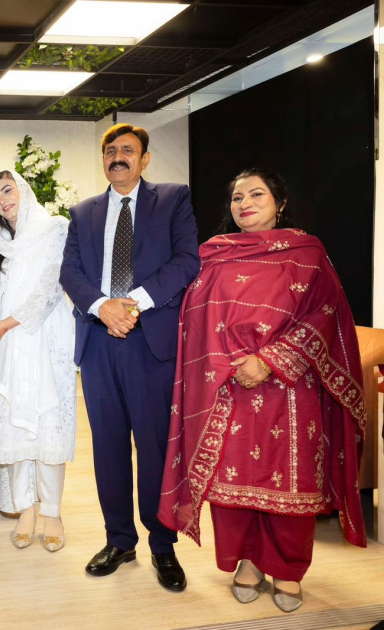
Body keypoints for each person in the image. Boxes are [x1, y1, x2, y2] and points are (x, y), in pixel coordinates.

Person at [158, 168, 366, 613]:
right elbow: (195, 319)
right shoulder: (214, 255)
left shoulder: (307, 253)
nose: (245, 203)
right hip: (226, 388)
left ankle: (288, 569)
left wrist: (269, 361)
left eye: (256, 194)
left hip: (289, 388)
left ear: (280, 203)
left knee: (290, 481)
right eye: (237, 197)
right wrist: (228, 361)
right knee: (232, 484)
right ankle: (247, 561)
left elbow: (325, 315)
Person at [60, 123, 199, 591]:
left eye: (127, 150)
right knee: (108, 449)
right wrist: (104, 307)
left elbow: (187, 261)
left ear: (145, 158)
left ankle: (163, 545)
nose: (117, 157)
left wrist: (132, 303)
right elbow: (70, 271)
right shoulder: (83, 212)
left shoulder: (173, 199)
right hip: (99, 342)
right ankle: (119, 540)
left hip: (149, 342)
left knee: (155, 447)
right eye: (110, 150)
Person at [0, 170, 76, 552]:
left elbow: (52, 287)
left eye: (8, 190)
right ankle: (26, 510)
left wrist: (6, 322)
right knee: (14, 424)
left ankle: (52, 512)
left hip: (44, 339)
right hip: (6, 345)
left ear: (23, 190)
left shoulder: (55, 228)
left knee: (48, 422)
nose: (3, 200)